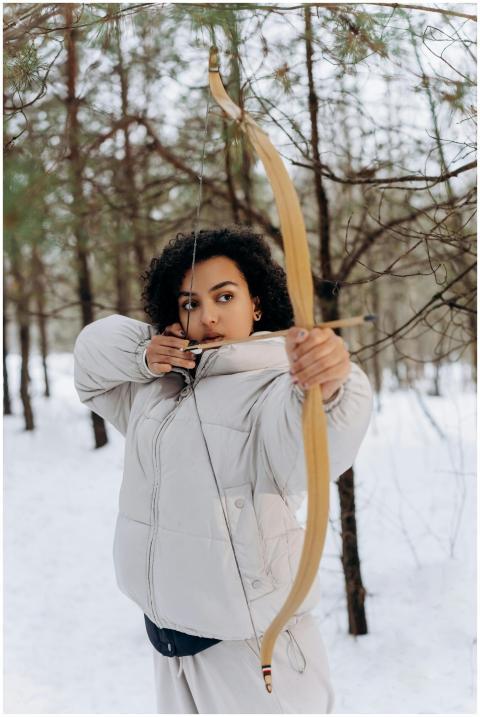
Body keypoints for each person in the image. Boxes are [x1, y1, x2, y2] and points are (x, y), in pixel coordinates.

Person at [73, 226, 373, 713]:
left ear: (256, 303)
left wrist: (332, 380)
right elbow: (91, 356)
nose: (207, 315)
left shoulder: (275, 386)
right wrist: (145, 355)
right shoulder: (156, 388)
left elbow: (310, 451)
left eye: (225, 296)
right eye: (190, 303)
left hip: (253, 654)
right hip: (171, 644)